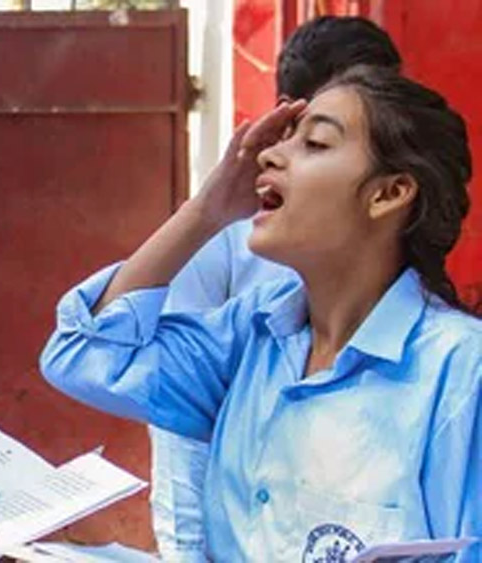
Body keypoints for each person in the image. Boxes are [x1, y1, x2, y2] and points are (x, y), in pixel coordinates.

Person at [41, 65, 481, 561]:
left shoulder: (461, 372)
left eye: (315, 143)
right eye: (285, 139)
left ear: (388, 194)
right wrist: (206, 211)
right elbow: (84, 353)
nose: (269, 155)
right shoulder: (253, 335)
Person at [151, 16, 403, 561]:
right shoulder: (225, 244)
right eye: (324, 136)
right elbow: (174, 423)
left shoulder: (400, 246)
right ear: (288, 118)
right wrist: (187, 552)